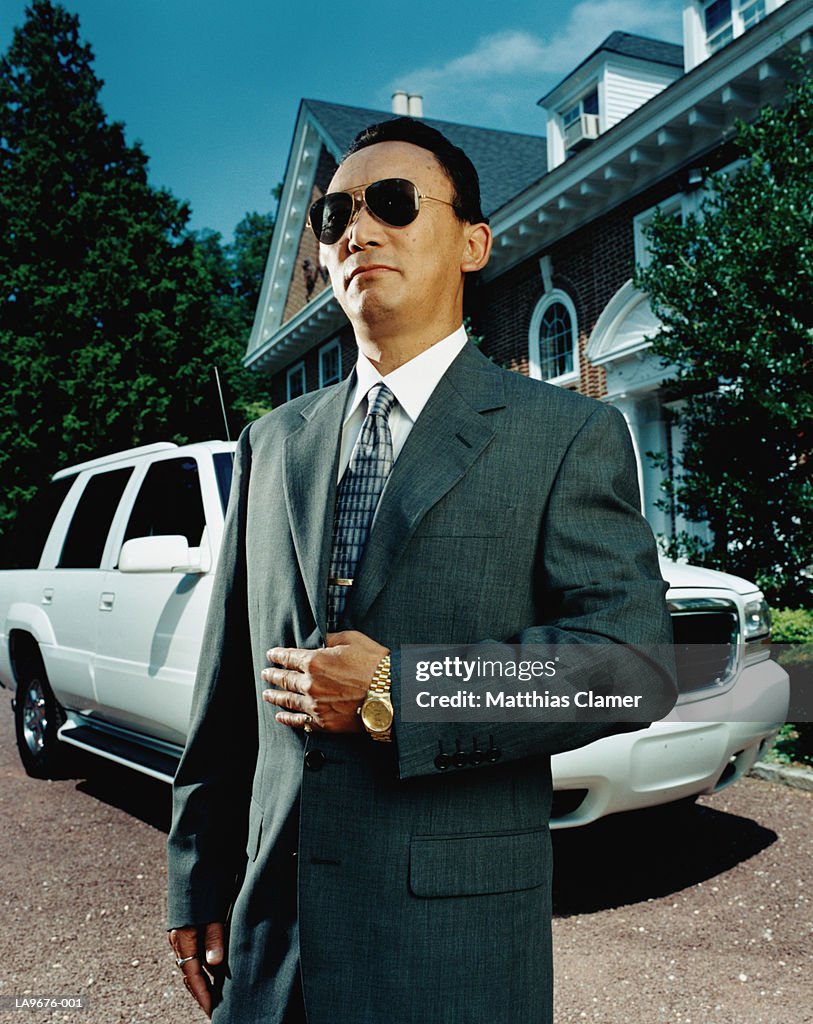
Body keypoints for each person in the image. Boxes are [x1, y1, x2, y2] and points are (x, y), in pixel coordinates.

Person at [166, 117, 676, 1024]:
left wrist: (399, 691)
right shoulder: (270, 443)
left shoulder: (564, 434)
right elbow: (226, 700)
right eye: (333, 217)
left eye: (393, 204)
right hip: (271, 948)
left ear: (473, 242)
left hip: (450, 953)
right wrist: (198, 881)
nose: (357, 231)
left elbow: (628, 667)